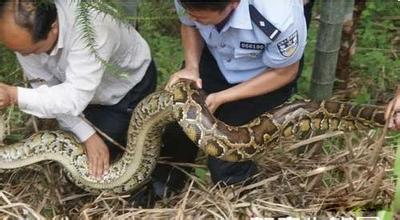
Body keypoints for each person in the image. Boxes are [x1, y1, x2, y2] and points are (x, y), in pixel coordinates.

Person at [0, 0, 195, 207]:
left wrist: (14, 95)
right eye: (20, 52)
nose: (25, 56)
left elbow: (72, 98)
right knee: (83, 162)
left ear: (53, 28)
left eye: (31, 51)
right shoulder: (25, 42)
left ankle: (162, 180)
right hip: (82, 96)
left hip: (124, 88)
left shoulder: (93, 26)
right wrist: (87, 134)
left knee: (115, 150)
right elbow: (48, 92)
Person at [165, 0, 308, 186]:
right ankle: (165, 189)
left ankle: (239, 201)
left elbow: (285, 72)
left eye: (200, 17)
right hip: (215, 55)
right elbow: (189, 24)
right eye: (188, 11)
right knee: (176, 129)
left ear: (234, 3)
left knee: (228, 158)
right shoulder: (188, 4)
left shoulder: (280, 18)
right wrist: (192, 67)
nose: (192, 17)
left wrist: (224, 96)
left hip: (265, 76)